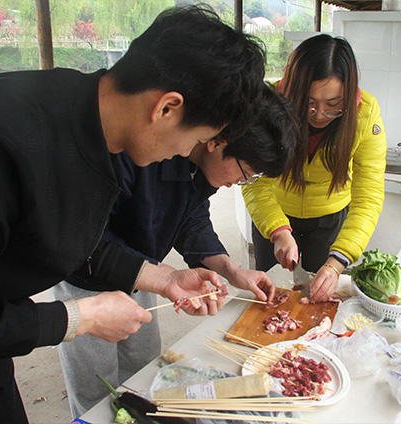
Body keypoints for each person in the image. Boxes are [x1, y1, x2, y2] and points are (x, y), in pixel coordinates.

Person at [0, 5, 266, 423]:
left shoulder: (92, 123)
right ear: (166, 108)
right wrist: (78, 317)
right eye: (198, 137)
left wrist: (165, 279)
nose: (186, 153)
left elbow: (73, 241)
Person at [51, 85, 298, 417]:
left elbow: (191, 218)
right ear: (217, 142)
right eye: (245, 174)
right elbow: (84, 243)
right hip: (87, 281)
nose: (237, 183)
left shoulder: (203, 164)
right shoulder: (139, 151)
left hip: (142, 275)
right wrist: (163, 278)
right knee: (95, 385)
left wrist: (231, 270)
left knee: (143, 366)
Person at [242, 34, 387, 303]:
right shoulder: (269, 102)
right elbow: (255, 180)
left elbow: (369, 196)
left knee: (319, 298)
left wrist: (338, 261)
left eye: (333, 105)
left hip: (329, 219)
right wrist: (278, 230)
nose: (320, 115)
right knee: (271, 296)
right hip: (274, 213)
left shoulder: (365, 114)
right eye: (309, 103)